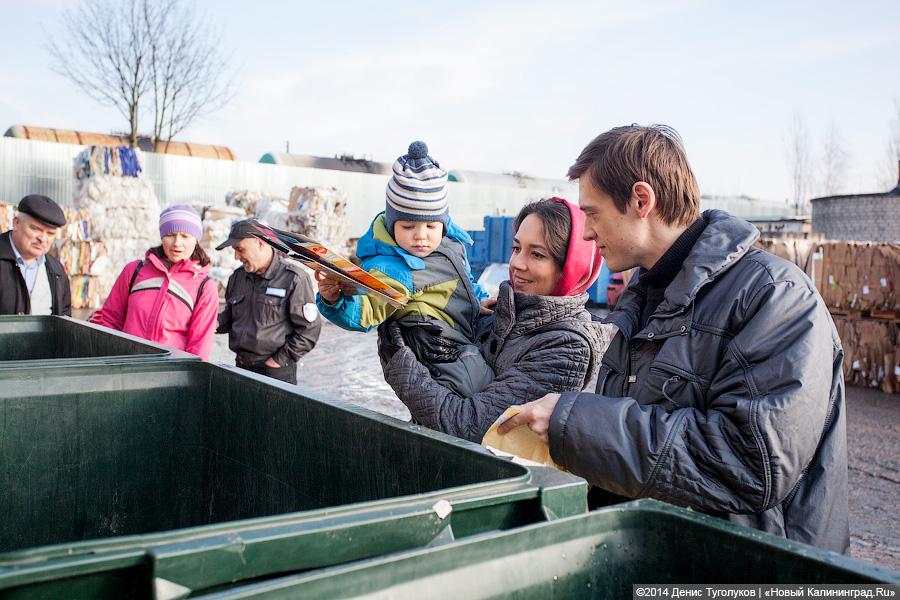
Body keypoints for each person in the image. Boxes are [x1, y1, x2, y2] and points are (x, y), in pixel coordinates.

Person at [499, 125, 849, 553]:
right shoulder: (643, 298)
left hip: (759, 566)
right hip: (666, 554)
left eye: (593, 213)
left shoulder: (774, 297)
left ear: (641, 200)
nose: (587, 233)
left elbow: (750, 463)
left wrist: (576, 424)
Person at [377, 197, 611, 443]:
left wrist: (398, 361)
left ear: (570, 267)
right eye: (516, 248)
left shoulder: (568, 346)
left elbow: (465, 425)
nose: (517, 263)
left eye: (537, 254)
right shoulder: (499, 312)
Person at [316, 141, 493, 398]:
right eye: (408, 227)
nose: (420, 236)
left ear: (444, 224)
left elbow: (465, 281)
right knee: (477, 391)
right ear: (392, 225)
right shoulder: (392, 269)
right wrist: (334, 299)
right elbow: (365, 312)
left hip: (466, 337)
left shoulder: (452, 246)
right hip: (438, 355)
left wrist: (480, 299)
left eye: (431, 227)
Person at [90, 205, 218, 359]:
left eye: (185, 236)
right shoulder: (134, 271)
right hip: (126, 365)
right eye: (170, 234)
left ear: (196, 240)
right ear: (162, 236)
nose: (177, 242)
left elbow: (199, 347)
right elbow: (111, 319)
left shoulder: (204, 287)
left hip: (170, 370)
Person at [215, 219, 322, 384]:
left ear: (260, 243)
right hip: (241, 367)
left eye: (240, 249)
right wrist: (211, 323)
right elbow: (230, 316)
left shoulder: (293, 278)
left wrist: (278, 360)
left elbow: (309, 330)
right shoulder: (237, 278)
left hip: (275, 372)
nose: (236, 257)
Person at [0, 195, 71, 316]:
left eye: (50, 233)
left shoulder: (57, 271)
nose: (42, 239)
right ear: (16, 223)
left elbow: (64, 317)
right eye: (36, 229)